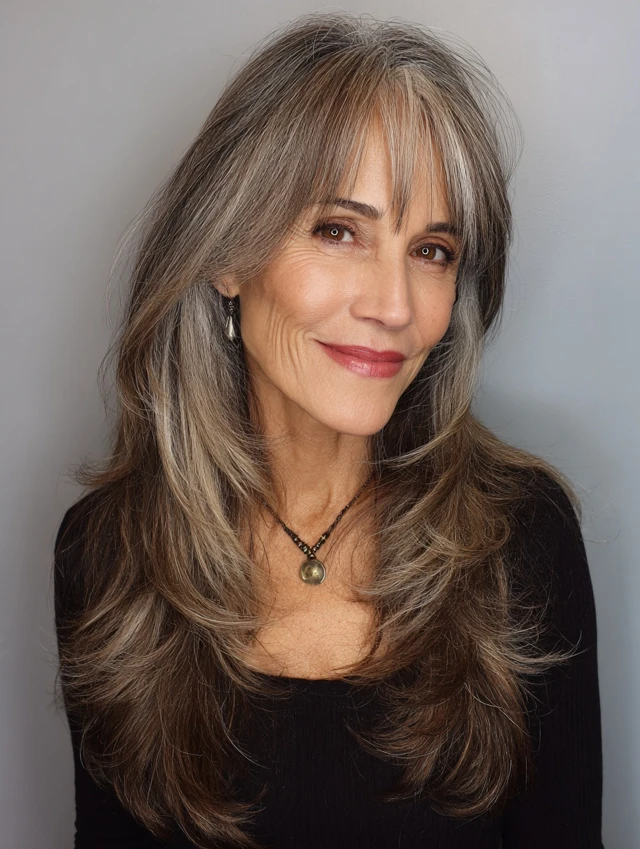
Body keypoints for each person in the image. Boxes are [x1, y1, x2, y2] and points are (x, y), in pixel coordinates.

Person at [52, 10, 604, 849]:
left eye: (432, 250)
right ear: (227, 254)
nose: (394, 305)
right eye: (339, 231)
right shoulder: (107, 551)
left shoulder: (522, 539)